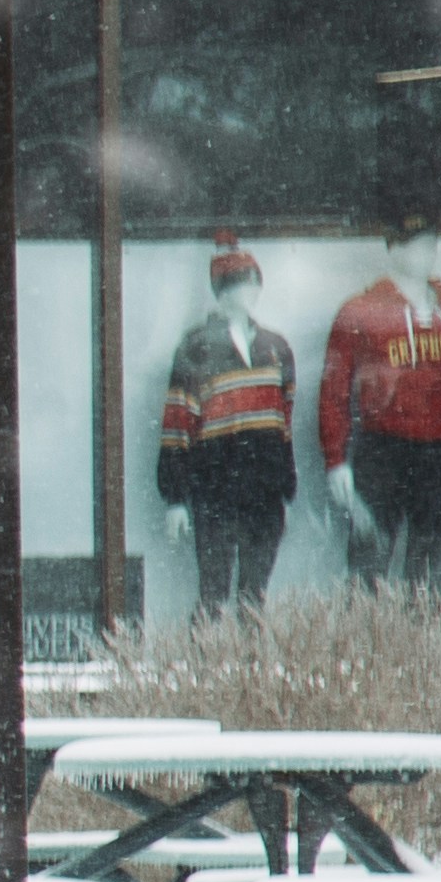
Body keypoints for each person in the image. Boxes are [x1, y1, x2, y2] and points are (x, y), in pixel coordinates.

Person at [320, 225, 441, 601]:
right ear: (392, 248)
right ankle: (366, 637)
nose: (423, 253)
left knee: (432, 573)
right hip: (383, 448)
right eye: (412, 244)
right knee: (368, 567)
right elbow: (334, 391)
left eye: (429, 244)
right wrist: (335, 460)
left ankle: (424, 636)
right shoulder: (360, 311)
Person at [152, 233, 299, 617]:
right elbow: (177, 424)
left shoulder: (276, 348)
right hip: (216, 490)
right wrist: (176, 498)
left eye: (254, 283)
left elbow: (283, 428)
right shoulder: (197, 347)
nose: (250, 292)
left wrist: (286, 490)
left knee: (255, 598)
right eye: (239, 284)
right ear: (222, 291)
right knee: (213, 596)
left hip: (264, 492)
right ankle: (208, 655)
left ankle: (250, 657)